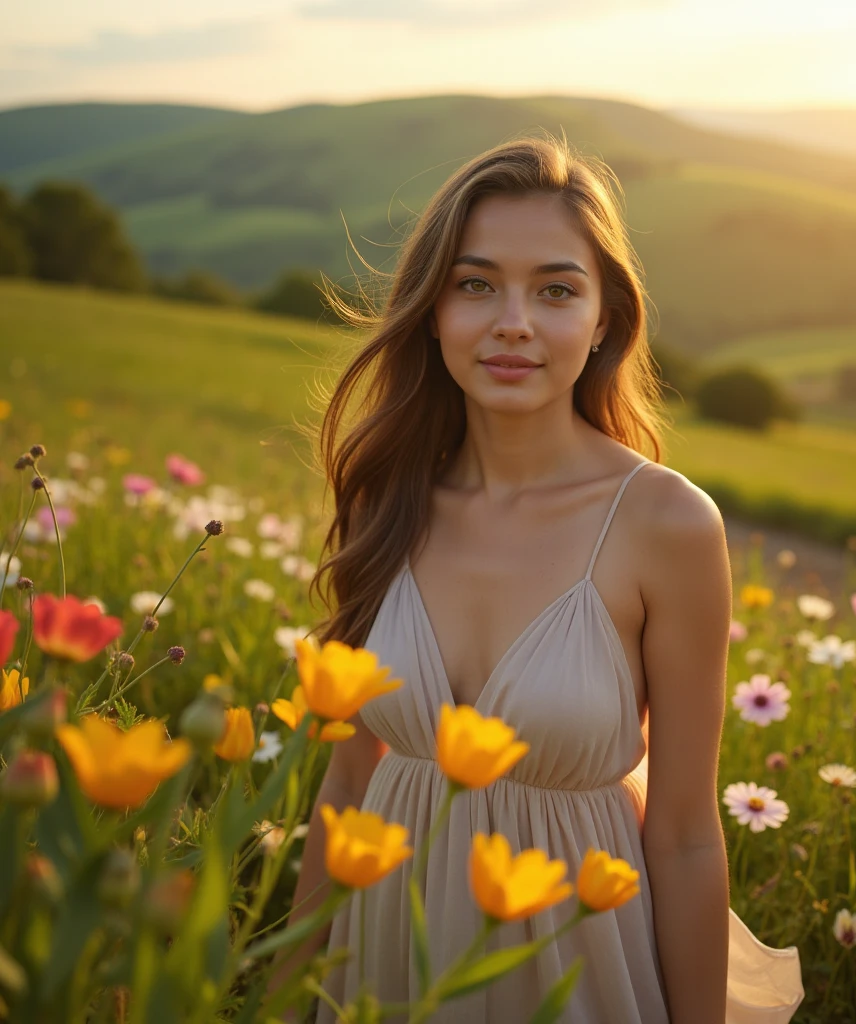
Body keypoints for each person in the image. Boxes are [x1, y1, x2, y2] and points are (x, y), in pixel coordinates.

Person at [269, 133, 804, 1023]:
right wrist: (283, 1005)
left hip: (579, 972)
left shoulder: (666, 524)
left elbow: (680, 835)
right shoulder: (386, 503)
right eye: (475, 284)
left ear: (604, 321)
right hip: (385, 967)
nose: (512, 320)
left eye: (556, 289)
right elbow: (350, 779)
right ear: (432, 309)